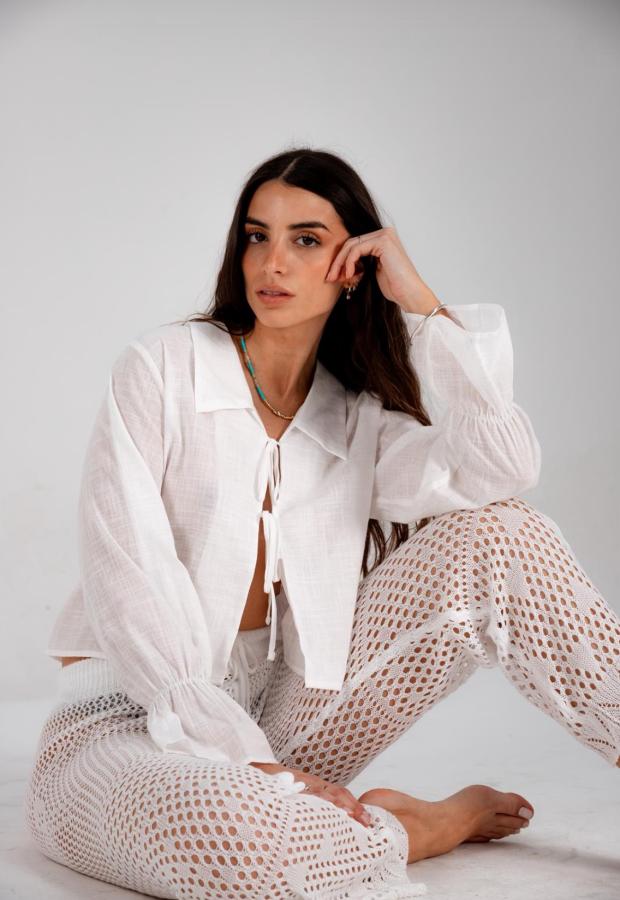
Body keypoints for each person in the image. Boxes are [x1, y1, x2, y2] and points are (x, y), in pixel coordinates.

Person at [24, 147, 620, 899]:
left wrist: (423, 304)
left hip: (280, 718)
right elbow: (129, 574)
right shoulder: (163, 368)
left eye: (306, 240)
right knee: (235, 836)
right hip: (127, 724)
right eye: (257, 236)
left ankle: (318, 819)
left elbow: (502, 465)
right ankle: (415, 830)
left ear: (354, 267)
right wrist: (245, 763)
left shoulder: (352, 417)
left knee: (503, 533)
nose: (273, 262)